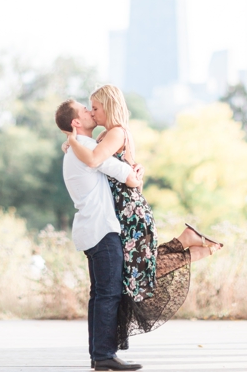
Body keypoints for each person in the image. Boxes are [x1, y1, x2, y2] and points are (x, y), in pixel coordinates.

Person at [63, 85, 222, 352]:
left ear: (109, 106)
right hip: (121, 209)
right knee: (132, 272)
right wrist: (73, 142)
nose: (92, 111)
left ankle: (191, 247)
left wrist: (73, 142)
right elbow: (102, 160)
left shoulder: (115, 133)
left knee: (136, 273)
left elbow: (93, 160)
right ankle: (187, 243)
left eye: (96, 107)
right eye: (89, 108)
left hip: (128, 211)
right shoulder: (105, 134)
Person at [55, 98, 144, 372]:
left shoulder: (74, 151)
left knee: (100, 295)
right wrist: (136, 172)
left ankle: (100, 355)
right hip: (101, 229)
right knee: (108, 294)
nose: (90, 111)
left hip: (90, 229)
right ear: (76, 122)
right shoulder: (89, 149)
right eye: (85, 110)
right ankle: (104, 355)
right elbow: (127, 176)